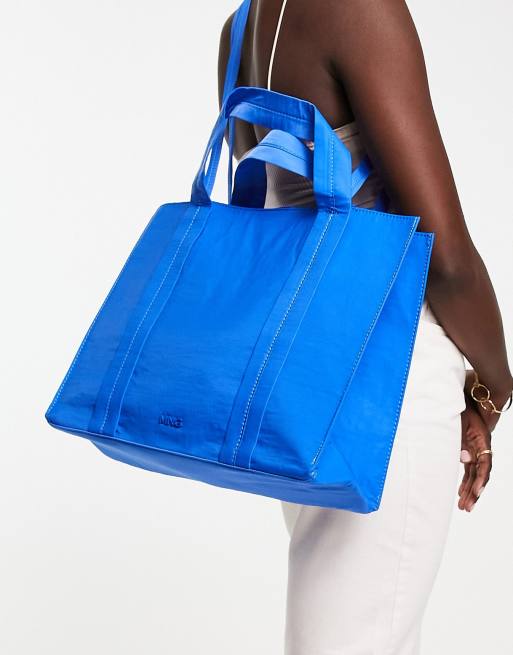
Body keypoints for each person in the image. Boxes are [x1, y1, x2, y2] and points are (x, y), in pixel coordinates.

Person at [218, 1, 512, 653]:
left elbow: (269, 215)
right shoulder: (357, 8)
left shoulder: (241, 28)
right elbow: (446, 258)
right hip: (384, 388)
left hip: (301, 387)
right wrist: (493, 385)